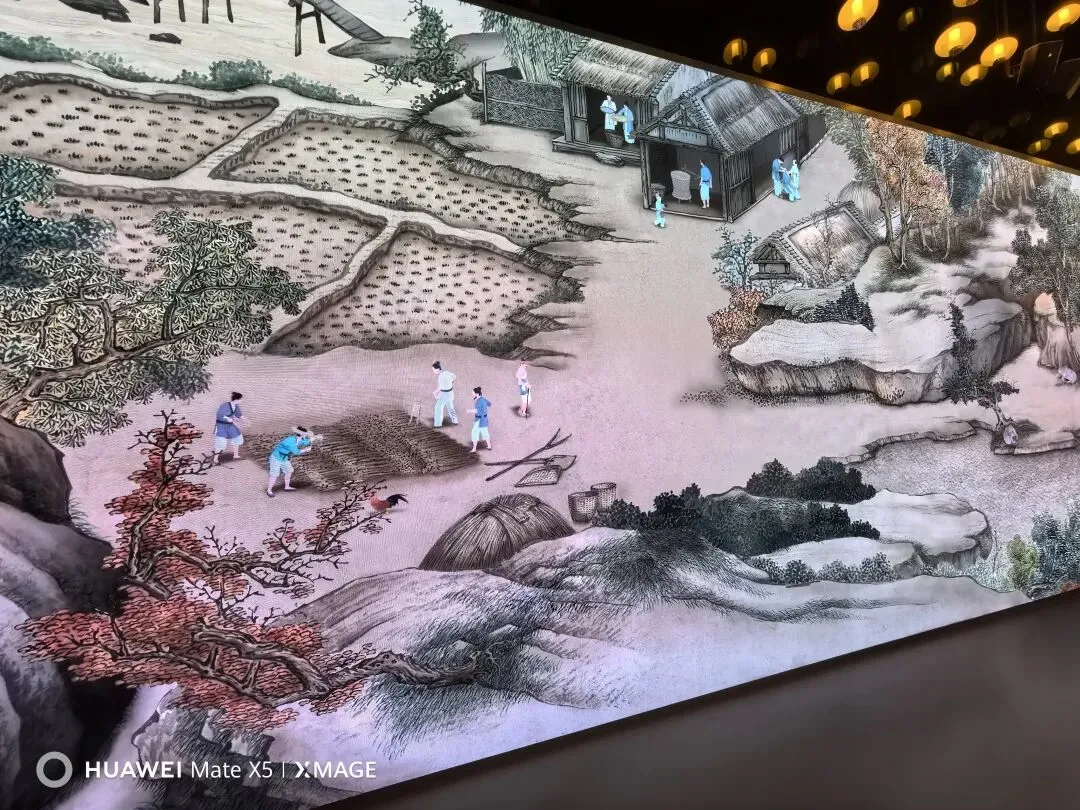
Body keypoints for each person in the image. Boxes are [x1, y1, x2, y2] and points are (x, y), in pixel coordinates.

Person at [266, 426, 315, 498]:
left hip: (284, 458)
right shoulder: (290, 442)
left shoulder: (297, 439)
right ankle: (269, 490)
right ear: (302, 435)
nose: (306, 436)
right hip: (276, 458)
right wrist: (306, 450)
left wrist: (312, 439)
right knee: (274, 474)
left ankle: (287, 486)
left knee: (289, 470)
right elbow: (297, 452)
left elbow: (303, 442)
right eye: (305, 435)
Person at [212, 391, 244, 465]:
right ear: (236, 399)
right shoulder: (224, 405)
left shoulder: (236, 406)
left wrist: (243, 419)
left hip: (230, 425)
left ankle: (235, 455)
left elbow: (239, 414)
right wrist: (227, 418)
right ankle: (215, 459)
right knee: (221, 441)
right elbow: (219, 415)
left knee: (237, 436)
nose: (241, 401)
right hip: (221, 425)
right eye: (240, 399)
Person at [431, 361, 459, 427]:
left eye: (433, 370)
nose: (433, 371)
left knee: (438, 407)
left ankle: (438, 424)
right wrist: (450, 383)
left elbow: (441, 387)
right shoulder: (446, 372)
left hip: (444, 394)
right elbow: (454, 376)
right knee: (450, 407)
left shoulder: (441, 376)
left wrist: (435, 392)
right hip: (450, 393)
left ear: (437, 369)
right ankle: (455, 420)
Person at [469, 386, 492, 453]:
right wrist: (484, 409)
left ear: (477, 394)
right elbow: (489, 404)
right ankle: (489, 446)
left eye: (473, 393)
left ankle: (474, 448)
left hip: (479, 420)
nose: (472, 394)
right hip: (484, 419)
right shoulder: (483, 399)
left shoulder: (478, 401)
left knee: (474, 433)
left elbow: (477, 411)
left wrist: (469, 411)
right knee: (485, 432)